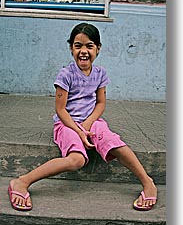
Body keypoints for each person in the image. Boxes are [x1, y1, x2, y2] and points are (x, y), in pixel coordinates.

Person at [8, 23, 157, 212]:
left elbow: (101, 103)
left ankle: (148, 182)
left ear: (98, 49)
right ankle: (22, 182)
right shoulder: (65, 74)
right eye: (78, 46)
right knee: (77, 160)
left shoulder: (100, 73)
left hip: (91, 122)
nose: (84, 51)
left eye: (89, 46)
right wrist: (79, 131)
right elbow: (61, 110)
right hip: (67, 124)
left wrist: (87, 125)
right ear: (71, 48)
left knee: (114, 142)